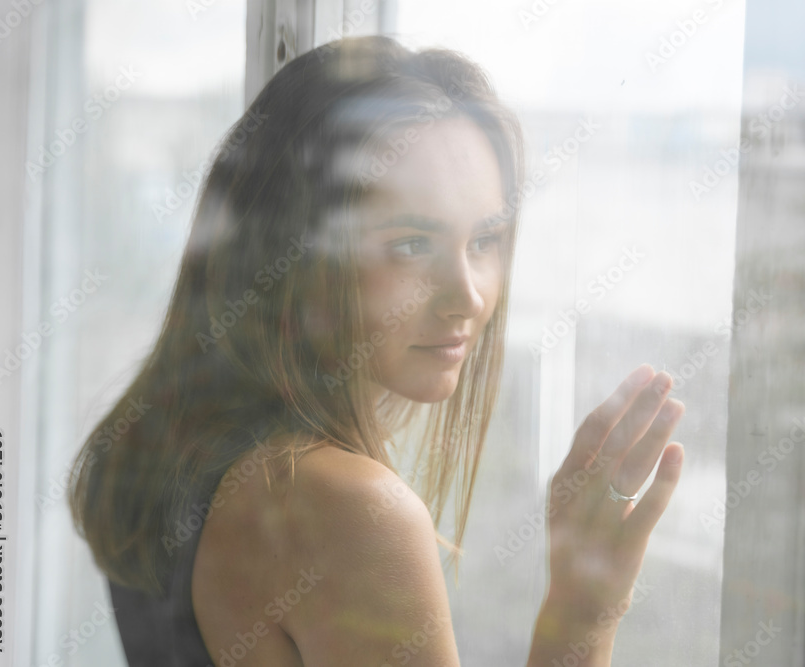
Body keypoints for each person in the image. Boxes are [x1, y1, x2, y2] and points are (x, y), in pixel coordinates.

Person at [68, 35, 686, 666]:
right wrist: (583, 609)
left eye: (485, 239)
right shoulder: (350, 510)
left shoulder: (162, 433)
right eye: (413, 243)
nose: (468, 297)